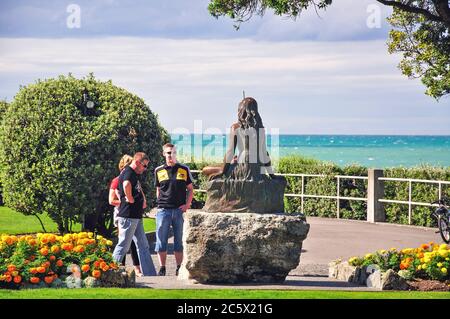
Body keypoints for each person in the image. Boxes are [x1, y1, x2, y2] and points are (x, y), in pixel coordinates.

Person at [112, 152, 156, 276]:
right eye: (144, 166)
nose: (145, 169)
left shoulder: (133, 173)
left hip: (135, 216)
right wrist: (129, 197)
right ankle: (109, 271)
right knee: (123, 246)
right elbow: (126, 184)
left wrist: (141, 200)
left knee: (143, 245)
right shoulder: (128, 172)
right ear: (137, 162)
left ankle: (149, 273)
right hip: (128, 216)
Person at [154, 143, 194, 276]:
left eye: (173, 152)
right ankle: (162, 268)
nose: (171, 155)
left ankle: (178, 267)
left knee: (179, 241)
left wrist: (187, 205)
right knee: (161, 241)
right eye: (168, 152)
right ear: (164, 154)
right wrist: (159, 204)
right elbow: (158, 189)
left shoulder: (184, 169)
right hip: (163, 210)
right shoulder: (158, 170)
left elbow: (190, 189)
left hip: (179, 211)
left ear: (176, 153)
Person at [109, 154, 142, 276]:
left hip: (132, 213)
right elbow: (111, 200)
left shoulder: (134, 178)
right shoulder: (117, 180)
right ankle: (115, 268)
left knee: (132, 243)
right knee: (124, 242)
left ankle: (136, 268)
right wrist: (127, 199)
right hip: (122, 213)